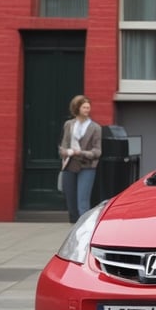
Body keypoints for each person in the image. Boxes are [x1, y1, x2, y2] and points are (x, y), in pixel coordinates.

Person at [59, 95, 102, 223]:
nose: (87, 110)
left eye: (88, 107)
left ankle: (84, 227)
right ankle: (73, 227)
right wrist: (66, 152)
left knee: (82, 201)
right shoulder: (69, 125)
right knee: (70, 201)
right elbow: (63, 146)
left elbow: (98, 151)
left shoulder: (95, 127)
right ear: (77, 108)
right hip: (70, 165)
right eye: (84, 107)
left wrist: (81, 152)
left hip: (87, 166)